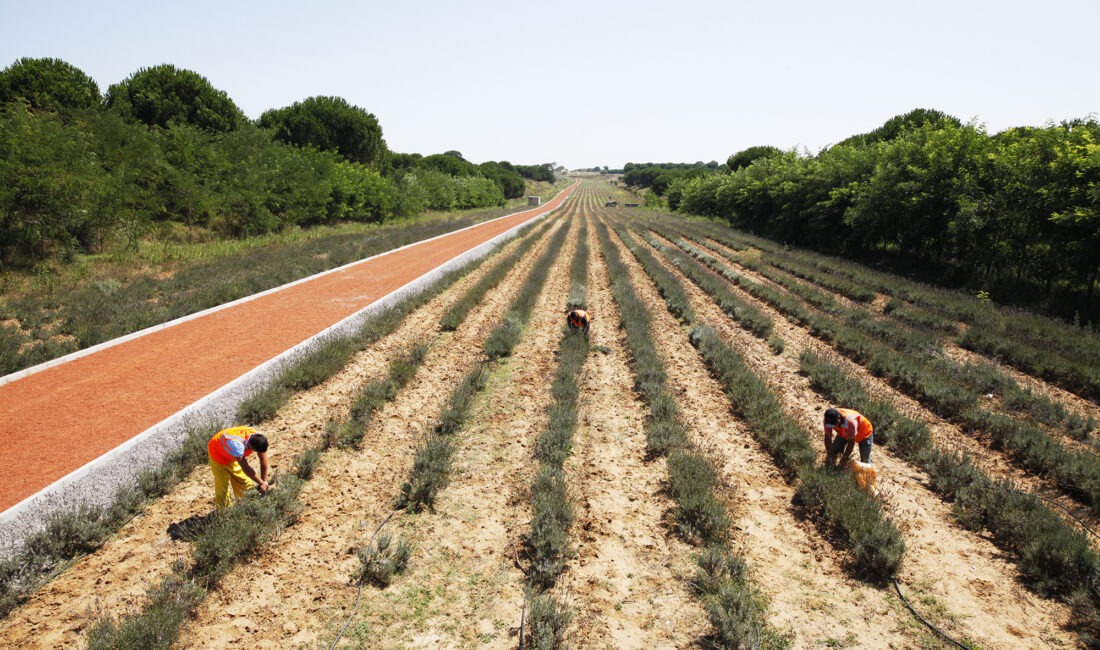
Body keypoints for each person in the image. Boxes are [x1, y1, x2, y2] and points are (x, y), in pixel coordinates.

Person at [208, 425, 270, 512]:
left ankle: (246, 508)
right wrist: (261, 483)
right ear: (251, 446)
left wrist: (264, 481)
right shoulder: (237, 445)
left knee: (245, 483)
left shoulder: (258, 437)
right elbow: (246, 468)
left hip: (231, 455)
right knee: (222, 490)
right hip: (218, 454)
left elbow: (263, 460)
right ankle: (225, 515)